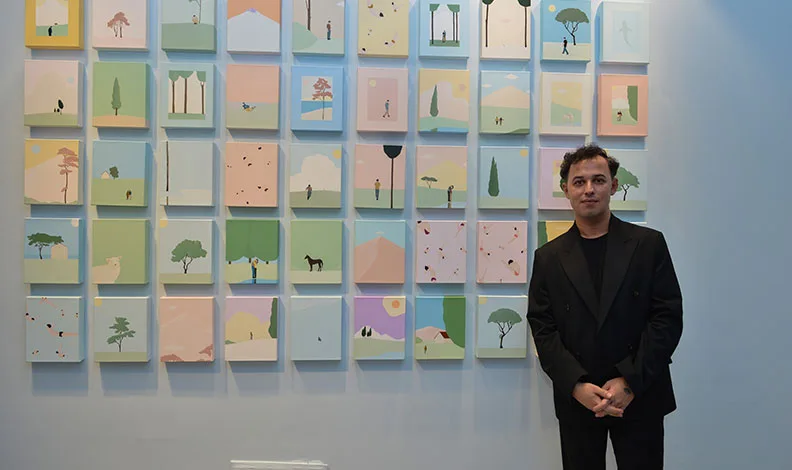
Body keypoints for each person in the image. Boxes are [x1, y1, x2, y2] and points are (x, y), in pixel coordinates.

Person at [526, 144, 683, 470]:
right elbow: (543, 328)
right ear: (566, 190)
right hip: (580, 398)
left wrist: (630, 381)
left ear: (613, 186)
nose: (589, 189)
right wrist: (576, 385)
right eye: (579, 182)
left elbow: (667, 318)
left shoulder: (649, 245)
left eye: (598, 180)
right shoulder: (548, 258)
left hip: (640, 393)